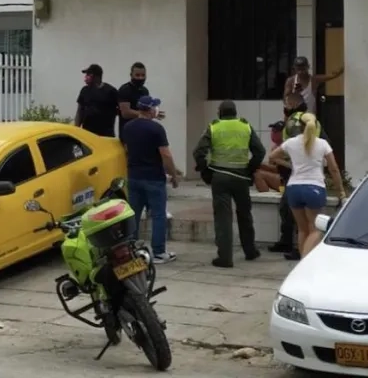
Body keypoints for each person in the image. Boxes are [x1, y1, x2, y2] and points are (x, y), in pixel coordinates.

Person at [192, 100, 266, 268]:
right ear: (235, 112)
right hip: (241, 177)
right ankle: (250, 251)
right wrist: (250, 169)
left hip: (220, 177)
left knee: (223, 218)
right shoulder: (245, 126)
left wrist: (205, 171)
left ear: (220, 112)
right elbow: (260, 151)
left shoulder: (214, 127)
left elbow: (198, 152)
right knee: (245, 215)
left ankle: (225, 258)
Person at [268, 113, 345, 257]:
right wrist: (340, 191)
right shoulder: (322, 144)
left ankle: (302, 258)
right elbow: (334, 169)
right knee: (316, 229)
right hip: (314, 188)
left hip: (293, 188)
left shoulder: (291, 142)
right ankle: (305, 260)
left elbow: (272, 157)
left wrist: (290, 165)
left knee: (303, 229)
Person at [268, 92, 329, 260]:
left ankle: (299, 250)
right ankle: (294, 246)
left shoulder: (295, 121)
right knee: (295, 215)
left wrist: (291, 164)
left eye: (286, 104)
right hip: (307, 176)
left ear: (293, 105)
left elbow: (296, 147)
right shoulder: (311, 121)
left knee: (298, 219)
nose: (284, 108)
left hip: (298, 176)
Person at [120, 95, 179, 264]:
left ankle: (131, 251)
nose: (157, 110)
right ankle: (159, 252)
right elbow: (165, 154)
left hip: (134, 177)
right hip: (153, 177)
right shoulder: (156, 129)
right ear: (150, 109)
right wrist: (174, 175)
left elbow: (126, 149)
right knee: (158, 215)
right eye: (155, 107)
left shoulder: (128, 127)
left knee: (134, 215)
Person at [74, 64, 119, 137]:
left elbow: (121, 109)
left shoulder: (111, 91)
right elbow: (79, 111)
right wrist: (76, 131)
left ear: (97, 77)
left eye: (88, 75)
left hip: (106, 134)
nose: (86, 77)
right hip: (87, 133)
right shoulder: (84, 90)